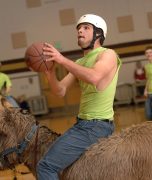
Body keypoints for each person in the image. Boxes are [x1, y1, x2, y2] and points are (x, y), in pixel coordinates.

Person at [37, 14, 121, 179]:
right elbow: (60, 91)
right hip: (84, 125)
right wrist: (50, 72)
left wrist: (61, 59)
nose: (80, 31)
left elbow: (95, 77)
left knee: (45, 167)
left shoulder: (108, 54)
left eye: (85, 28)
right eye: (78, 29)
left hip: (95, 127)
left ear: (98, 33)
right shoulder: (80, 62)